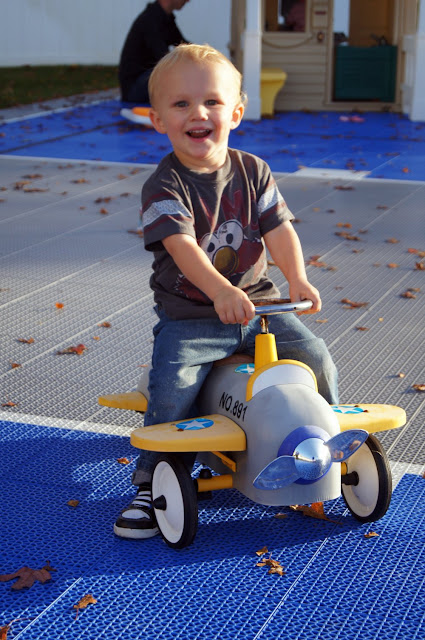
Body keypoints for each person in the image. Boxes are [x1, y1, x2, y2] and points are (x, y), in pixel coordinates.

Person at [114, 43, 338, 539]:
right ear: (158, 121)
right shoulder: (164, 186)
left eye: (212, 102)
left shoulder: (253, 171)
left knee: (315, 355)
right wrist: (218, 291)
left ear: (235, 112)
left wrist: (297, 279)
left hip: (257, 306)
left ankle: (328, 445)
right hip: (193, 315)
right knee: (174, 385)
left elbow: (279, 230)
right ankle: (153, 478)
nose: (199, 113)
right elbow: (183, 247)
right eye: (181, 105)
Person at [118, 0, 190, 103]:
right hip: (134, 88)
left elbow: (184, 46)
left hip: (147, 79)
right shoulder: (149, 19)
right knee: (176, 71)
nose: (188, 1)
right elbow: (164, 57)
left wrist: (205, 56)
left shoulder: (166, 18)